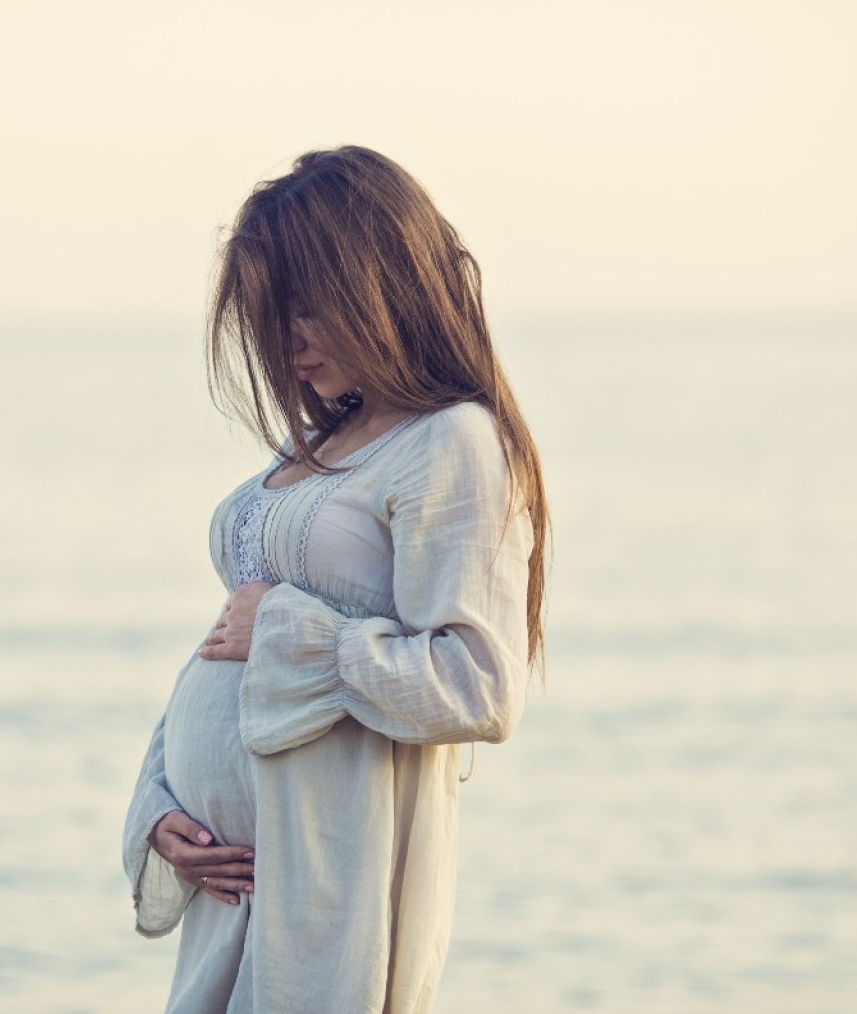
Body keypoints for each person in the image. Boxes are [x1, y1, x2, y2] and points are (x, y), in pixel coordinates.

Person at [123, 145, 549, 1014]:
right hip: (231, 889)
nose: (286, 343)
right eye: (269, 315)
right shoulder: (315, 447)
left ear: (382, 283)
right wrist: (158, 811)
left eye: (306, 310)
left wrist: (288, 628)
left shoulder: (453, 441)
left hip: (325, 878)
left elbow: (478, 688)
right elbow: (225, 642)